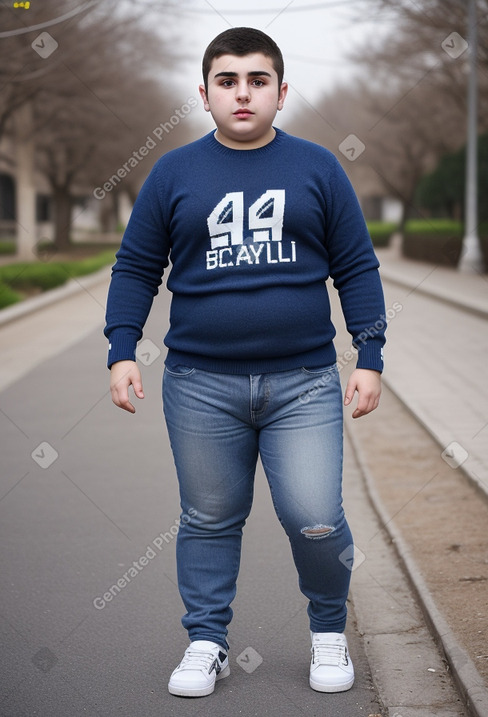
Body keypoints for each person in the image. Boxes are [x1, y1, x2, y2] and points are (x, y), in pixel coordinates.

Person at [104, 26, 386, 699]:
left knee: (315, 514)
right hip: (200, 385)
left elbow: (357, 267)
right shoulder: (173, 172)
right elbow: (137, 266)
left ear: (281, 93)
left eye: (257, 80)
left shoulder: (318, 167)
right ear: (204, 94)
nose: (242, 92)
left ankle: (326, 630)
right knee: (208, 516)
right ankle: (207, 639)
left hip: (305, 383)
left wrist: (369, 354)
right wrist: (121, 348)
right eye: (227, 80)